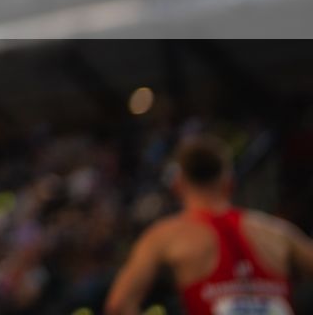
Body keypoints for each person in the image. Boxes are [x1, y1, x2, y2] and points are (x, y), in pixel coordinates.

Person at [105, 133, 313, 315]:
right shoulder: (276, 230)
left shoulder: (165, 235)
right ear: (230, 183)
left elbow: (119, 304)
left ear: (178, 185)